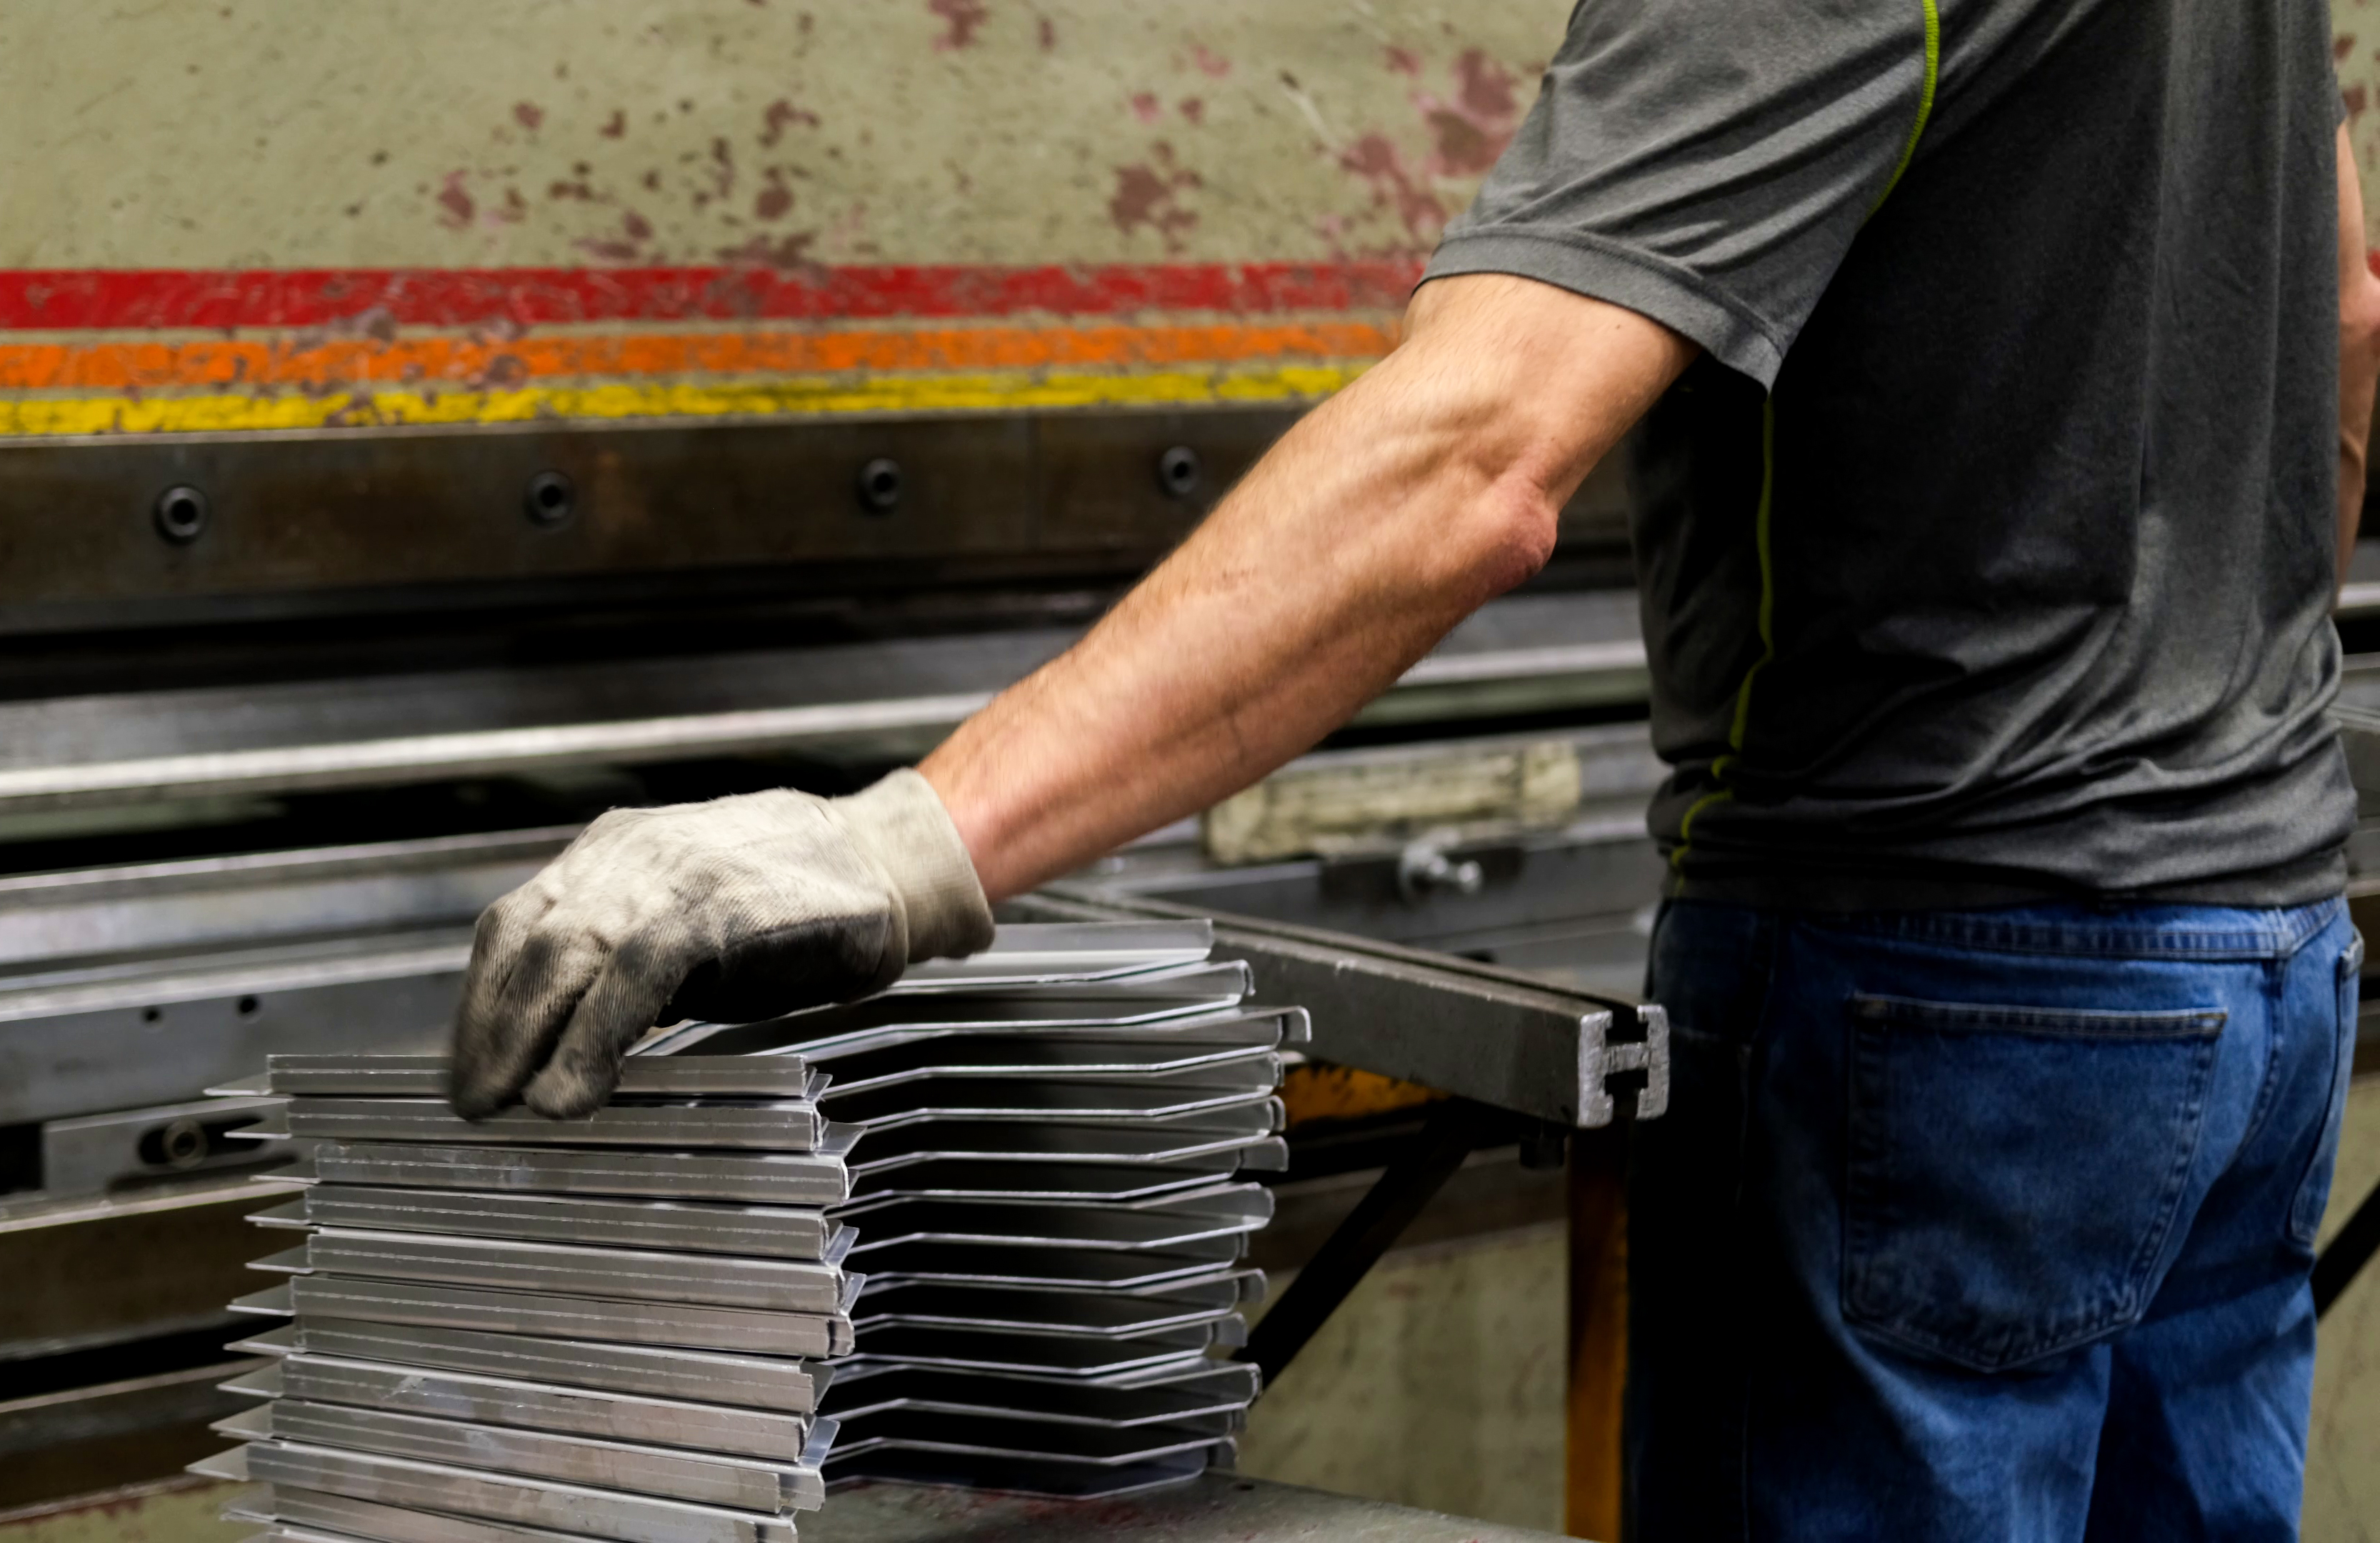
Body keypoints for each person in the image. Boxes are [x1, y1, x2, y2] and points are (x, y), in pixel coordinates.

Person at [449, 0, 2380, 1534]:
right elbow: (2350, 311)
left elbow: (1475, 468)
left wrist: (908, 840)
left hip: (1935, 1001)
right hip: (2256, 953)